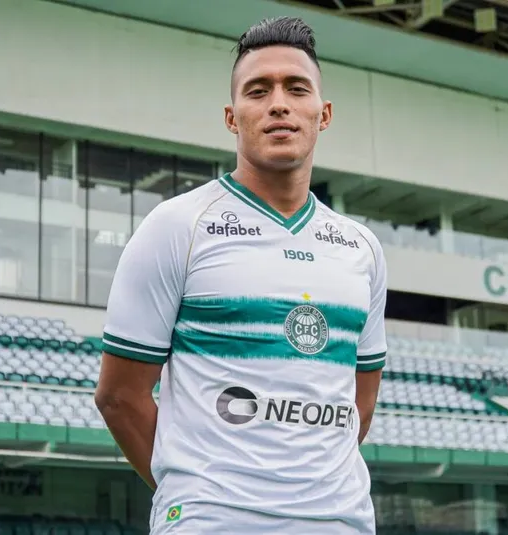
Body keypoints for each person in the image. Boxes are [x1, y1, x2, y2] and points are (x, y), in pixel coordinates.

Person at [95, 16, 388, 534]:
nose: (279, 104)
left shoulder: (362, 248)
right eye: (258, 90)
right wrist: (197, 491)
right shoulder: (179, 226)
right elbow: (119, 396)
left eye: (296, 88)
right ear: (233, 118)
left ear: (323, 114)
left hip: (339, 522)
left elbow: (358, 404)